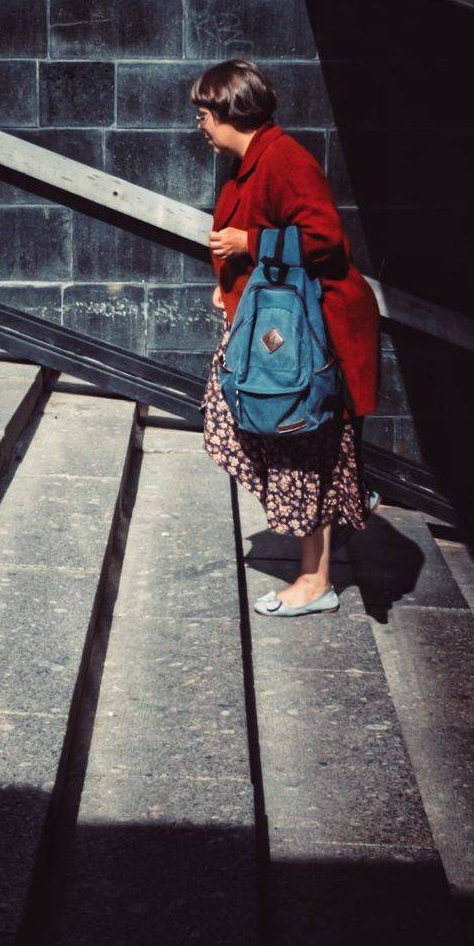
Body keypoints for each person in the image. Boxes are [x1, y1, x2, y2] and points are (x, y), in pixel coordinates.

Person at [197, 59, 381, 617]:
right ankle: (339, 502)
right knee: (256, 431)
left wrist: (249, 244)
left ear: (230, 111)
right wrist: (229, 284)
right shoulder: (250, 161)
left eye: (204, 114)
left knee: (296, 444)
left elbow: (325, 239)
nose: (200, 125)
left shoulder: (284, 160)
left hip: (306, 339)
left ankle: (315, 579)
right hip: (276, 331)